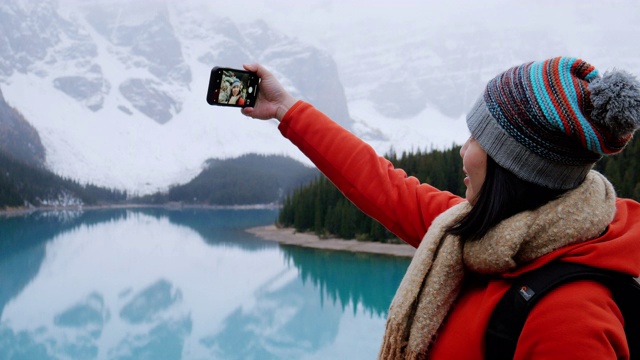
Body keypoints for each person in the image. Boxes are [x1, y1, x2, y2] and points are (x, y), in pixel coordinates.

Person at [240, 58, 640, 359]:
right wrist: (285, 109)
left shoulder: (571, 318)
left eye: (476, 137)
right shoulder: (474, 233)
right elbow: (379, 183)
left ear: (512, 165)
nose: (462, 150)